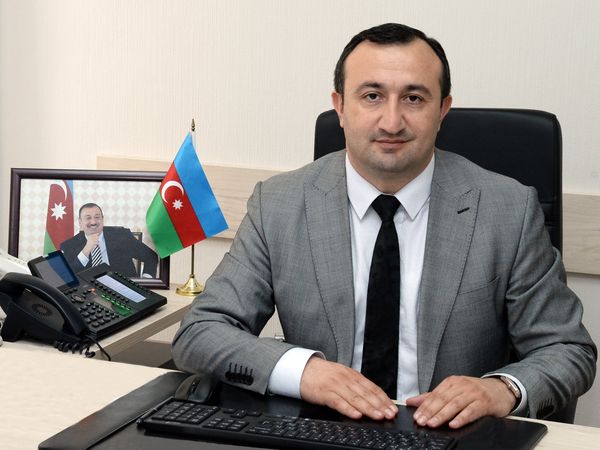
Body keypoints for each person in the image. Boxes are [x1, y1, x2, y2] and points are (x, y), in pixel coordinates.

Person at [172, 23, 596, 429]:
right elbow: (202, 331)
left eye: (413, 98)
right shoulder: (279, 204)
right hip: (320, 432)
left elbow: (566, 349)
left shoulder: (508, 210)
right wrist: (303, 372)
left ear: (442, 110)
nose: (392, 122)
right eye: (372, 96)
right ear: (340, 107)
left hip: (452, 437)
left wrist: (502, 389)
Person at [60, 203, 158, 278]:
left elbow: (151, 256)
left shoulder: (121, 236)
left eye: (97, 217)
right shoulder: (69, 245)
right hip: (90, 293)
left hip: (123, 289)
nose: (93, 222)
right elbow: (68, 276)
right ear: (80, 222)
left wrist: (146, 281)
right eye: (88, 218)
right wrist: (86, 250)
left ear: (103, 220)